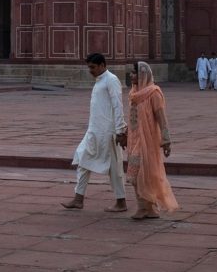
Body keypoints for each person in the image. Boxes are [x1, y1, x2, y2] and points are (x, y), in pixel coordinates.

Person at [62, 53, 128, 212]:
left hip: (108, 132)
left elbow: (118, 105)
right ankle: (78, 198)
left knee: (114, 168)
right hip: (94, 130)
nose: (90, 71)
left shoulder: (111, 80)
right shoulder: (100, 81)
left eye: (92, 67)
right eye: (89, 67)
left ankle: (121, 202)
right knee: (83, 159)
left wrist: (120, 130)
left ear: (102, 65)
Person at [126, 61, 178, 219]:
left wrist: (166, 139)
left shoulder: (154, 93)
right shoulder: (135, 92)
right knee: (140, 174)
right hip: (134, 138)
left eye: (134, 72)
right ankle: (150, 208)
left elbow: (161, 118)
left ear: (143, 74)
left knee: (138, 174)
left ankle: (144, 207)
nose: (131, 75)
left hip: (147, 139)